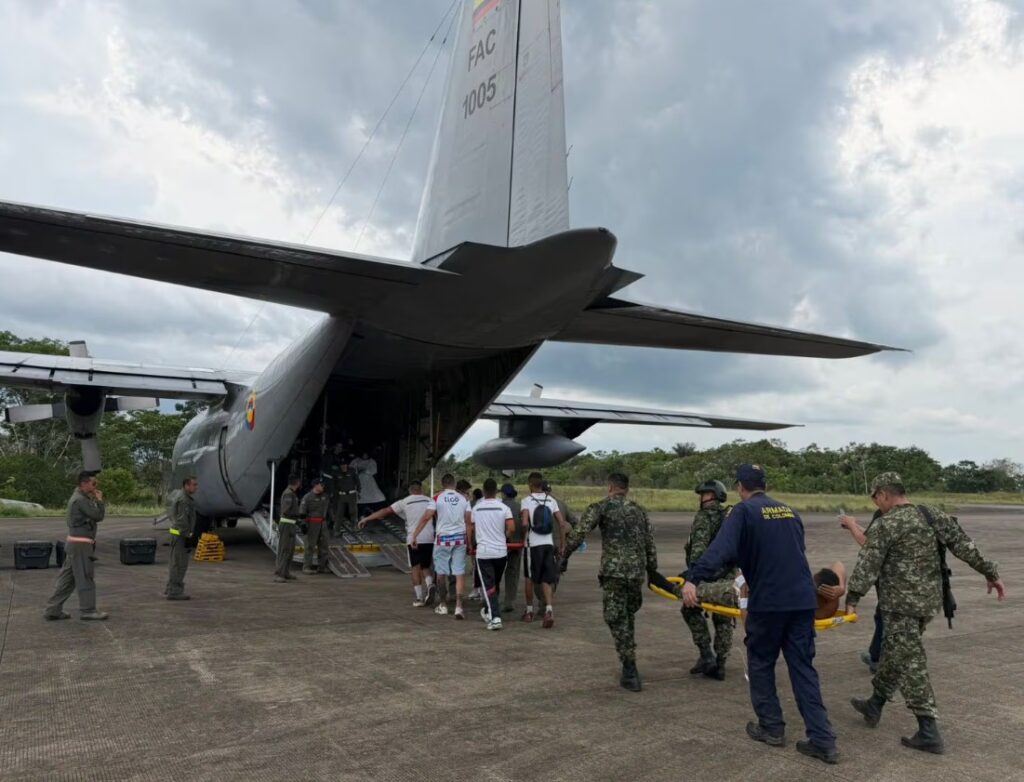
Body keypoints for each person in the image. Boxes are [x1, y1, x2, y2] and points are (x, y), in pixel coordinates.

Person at [683, 464, 838, 765]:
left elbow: (720, 551)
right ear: (764, 485)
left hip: (769, 603)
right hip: (803, 600)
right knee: (803, 669)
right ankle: (823, 740)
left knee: (762, 663)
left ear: (741, 487)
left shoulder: (743, 512)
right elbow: (796, 550)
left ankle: (771, 727)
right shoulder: (789, 511)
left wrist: (694, 577)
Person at [844, 472, 1006, 755]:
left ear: (883, 494)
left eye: (874, 497)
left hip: (900, 607)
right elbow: (964, 545)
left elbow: (868, 564)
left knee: (911, 664)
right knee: (896, 654)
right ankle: (875, 704)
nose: (875, 503)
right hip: (929, 604)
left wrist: (853, 598)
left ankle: (928, 729)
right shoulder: (932, 515)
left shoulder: (887, 523)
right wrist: (990, 573)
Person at [564, 472, 672, 691]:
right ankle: (629, 658)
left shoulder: (600, 507)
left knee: (615, 617)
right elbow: (649, 542)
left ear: (610, 487)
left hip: (614, 573)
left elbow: (579, 533)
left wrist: (563, 556)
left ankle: (630, 667)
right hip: (635, 574)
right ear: (627, 489)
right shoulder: (639, 510)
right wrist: (652, 571)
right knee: (626, 616)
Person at [682, 479, 735, 680]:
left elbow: (698, 550)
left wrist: (693, 577)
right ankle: (720, 665)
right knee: (723, 619)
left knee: (689, 608)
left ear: (712, 496)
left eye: (704, 495)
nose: (701, 498)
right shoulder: (730, 517)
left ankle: (706, 655)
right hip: (728, 576)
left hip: (707, 577)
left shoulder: (704, 517)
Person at [360, 479, 437, 607]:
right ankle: (430, 585)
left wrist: (367, 518)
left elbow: (385, 511)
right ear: (421, 489)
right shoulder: (430, 500)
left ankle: (419, 598)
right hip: (429, 538)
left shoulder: (404, 502)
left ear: (410, 491)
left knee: (415, 567)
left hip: (413, 539)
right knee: (426, 566)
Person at [44, 471, 108, 621]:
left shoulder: (79, 498)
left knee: (67, 579)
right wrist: (99, 501)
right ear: (84, 484)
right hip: (80, 545)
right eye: (93, 484)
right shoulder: (80, 500)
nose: (95, 487)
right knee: (86, 576)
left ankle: (53, 609)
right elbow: (98, 516)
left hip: (75, 544)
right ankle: (88, 610)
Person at [411, 473, 472, 619]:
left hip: (443, 539)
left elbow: (427, 517)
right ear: (454, 483)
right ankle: (458, 607)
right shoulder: (464, 498)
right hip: (459, 539)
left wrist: (415, 535)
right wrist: (469, 542)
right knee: (459, 572)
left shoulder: (437, 498)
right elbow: (468, 522)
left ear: (442, 483)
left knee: (441, 572)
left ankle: (443, 605)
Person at [840, 510, 885, 673]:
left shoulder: (883, 513)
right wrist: (854, 526)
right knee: (884, 616)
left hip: (891, 581)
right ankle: (877, 655)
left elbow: (869, 544)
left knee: (884, 617)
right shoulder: (906, 514)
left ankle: (877, 659)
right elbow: (876, 536)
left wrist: (852, 525)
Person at [520, 472, 565, 628]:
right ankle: (549, 610)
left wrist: (524, 534)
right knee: (547, 579)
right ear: (542, 485)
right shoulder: (551, 500)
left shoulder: (526, 500)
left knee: (529, 578)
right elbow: (562, 523)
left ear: (530, 485)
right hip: (548, 544)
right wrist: (562, 545)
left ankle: (529, 610)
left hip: (533, 545)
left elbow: (525, 523)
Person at [471, 478, 515, 631]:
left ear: (483, 491)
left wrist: (471, 544)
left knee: (488, 585)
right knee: (495, 583)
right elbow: (512, 528)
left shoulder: (477, 508)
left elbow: (471, 528)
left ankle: (495, 617)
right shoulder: (504, 508)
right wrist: (505, 536)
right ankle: (491, 610)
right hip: (500, 552)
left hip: (484, 552)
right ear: (497, 491)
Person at [165, 476, 198, 601]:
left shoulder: (182, 497)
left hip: (178, 535)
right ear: (186, 485)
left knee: (176, 562)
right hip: (181, 536)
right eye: (194, 484)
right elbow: (182, 521)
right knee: (179, 564)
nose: (196, 487)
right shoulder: (184, 500)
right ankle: (175, 591)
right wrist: (188, 535)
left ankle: (170, 588)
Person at [300, 478, 332, 575]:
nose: (323, 486)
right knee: (310, 546)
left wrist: (332, 519)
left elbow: (329, 509)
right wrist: (303, 524)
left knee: (324, 545)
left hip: (323, 524)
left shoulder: (325, 497)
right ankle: (306, 567)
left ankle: (322, 566)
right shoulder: (307, 497)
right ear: (315, 485)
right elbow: (302, 512)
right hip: (311, 524)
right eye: (321, 485)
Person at [499, 483, 523, 614]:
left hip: (499, 544)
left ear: (503, 493)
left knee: (495, 572)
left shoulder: (499, 506)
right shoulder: (520, 507)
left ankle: (491, 599)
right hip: (517, 544)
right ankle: (510, 600)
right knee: (512, 573)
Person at [274, 475, 301, 583]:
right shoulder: (288, 494)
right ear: (297, 482)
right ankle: (279, 573)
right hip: (287, 524)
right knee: (284, 549)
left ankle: (286, 572)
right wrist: (297, 514)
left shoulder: (292, 493)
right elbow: (285, 509)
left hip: (291, 523)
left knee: (290, 550)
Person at [351, 452, 386, 516]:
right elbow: (351, 469)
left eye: (366, 454)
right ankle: (360, 511)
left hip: (368, 480)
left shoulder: (371, 461)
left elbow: (374, 470)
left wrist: (365, 470)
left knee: (374, 495)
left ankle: (371, 509)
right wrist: (357, 471)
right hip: (359, 479)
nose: (365, 456)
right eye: (364, 454)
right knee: (359, 495)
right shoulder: (356, 461)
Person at [330, 460, 360, 536]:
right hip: (341, 496)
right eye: (342, 465)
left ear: (347, 465)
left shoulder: (352, 471)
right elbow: (333, 485)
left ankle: (354, 527)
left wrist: (358, 491)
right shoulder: (336, 473)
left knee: (353, 511)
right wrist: (334, 494)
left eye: (345, 465)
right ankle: (336, 530)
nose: (343, 466)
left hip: (351, 494)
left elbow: (358, 482)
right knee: (339, 513)